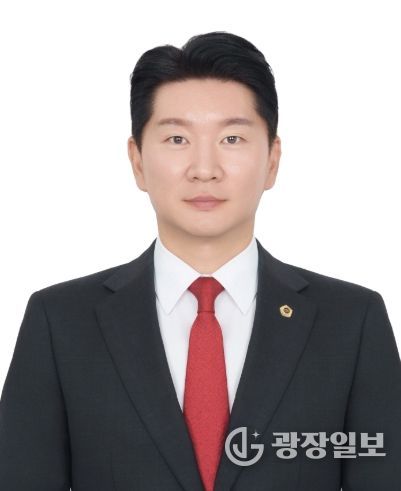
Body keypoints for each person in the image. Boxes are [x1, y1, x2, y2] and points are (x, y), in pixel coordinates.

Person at [1, 30, 400, 491]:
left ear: (272, 160)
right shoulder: (60, 322)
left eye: (232, 138)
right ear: (137, 160)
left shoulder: (351, 322)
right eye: (177, 139)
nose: (204, 169)